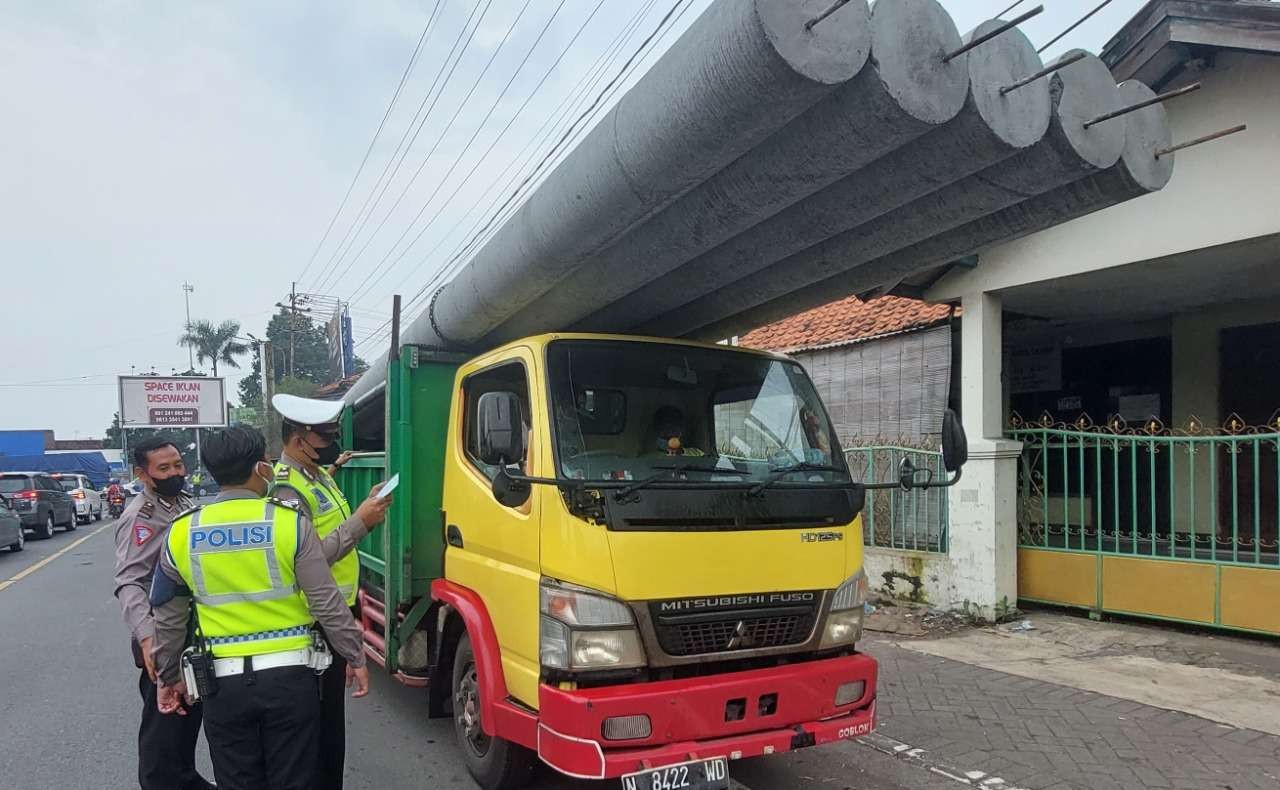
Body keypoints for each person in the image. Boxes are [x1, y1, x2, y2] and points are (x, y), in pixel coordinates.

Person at [150, 425, 370, 790]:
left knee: (237, 780)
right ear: (260, 468)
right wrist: (355, 655)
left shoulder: (181, 532)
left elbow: (168, 616)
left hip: (222, 686)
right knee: (295, 778)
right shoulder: (288, 523)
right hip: (291, 681)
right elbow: (326, 600)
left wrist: (168, 676)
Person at [269, 393, 391, 790]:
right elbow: (308, 560)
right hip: (312, 620)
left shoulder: (317, 477)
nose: (331, 444)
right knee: (316, 735)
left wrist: (368, 506)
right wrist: (361, 522)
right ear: (297, 439)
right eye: (324, 438)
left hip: (334, 611)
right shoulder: (287, 491)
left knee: (330, 732)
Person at [112, 436, 214, 790]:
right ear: (143, 474)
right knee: (164, 734)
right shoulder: (140, 516)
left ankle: (184, 777)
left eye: (178, 465)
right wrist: (147, 637)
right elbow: (130, 582)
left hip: (192, 633)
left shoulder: (183, 503)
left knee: (186, 725)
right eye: (164, 468)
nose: (175, 473)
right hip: (162, 639)